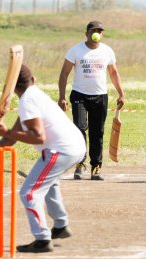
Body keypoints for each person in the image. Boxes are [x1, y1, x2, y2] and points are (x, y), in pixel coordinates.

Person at [0, 64, 86, 253]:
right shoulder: (34, 95)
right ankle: (60, 225)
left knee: (29, 193)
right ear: (33, 80)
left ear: (12, 87)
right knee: (49, 182)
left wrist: (6, 131)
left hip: (61, 150)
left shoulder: (28, 101)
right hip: (75, 147)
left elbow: (37, 137)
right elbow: (15, 134)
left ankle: (42, 239)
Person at [58, 20, 125, 181]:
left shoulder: (107, 51)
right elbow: (64, 74)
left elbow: (113, 73)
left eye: (100, 31)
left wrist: (121, 93)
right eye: (94, 30)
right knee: (80, 128)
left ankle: (96, 166)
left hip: (100, 96)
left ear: (102, 34)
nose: (97, 33)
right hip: (79, 95)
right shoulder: (76, 50)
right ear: (86, 33)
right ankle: (80, 164)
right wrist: (61, 97)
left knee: (97, 132)